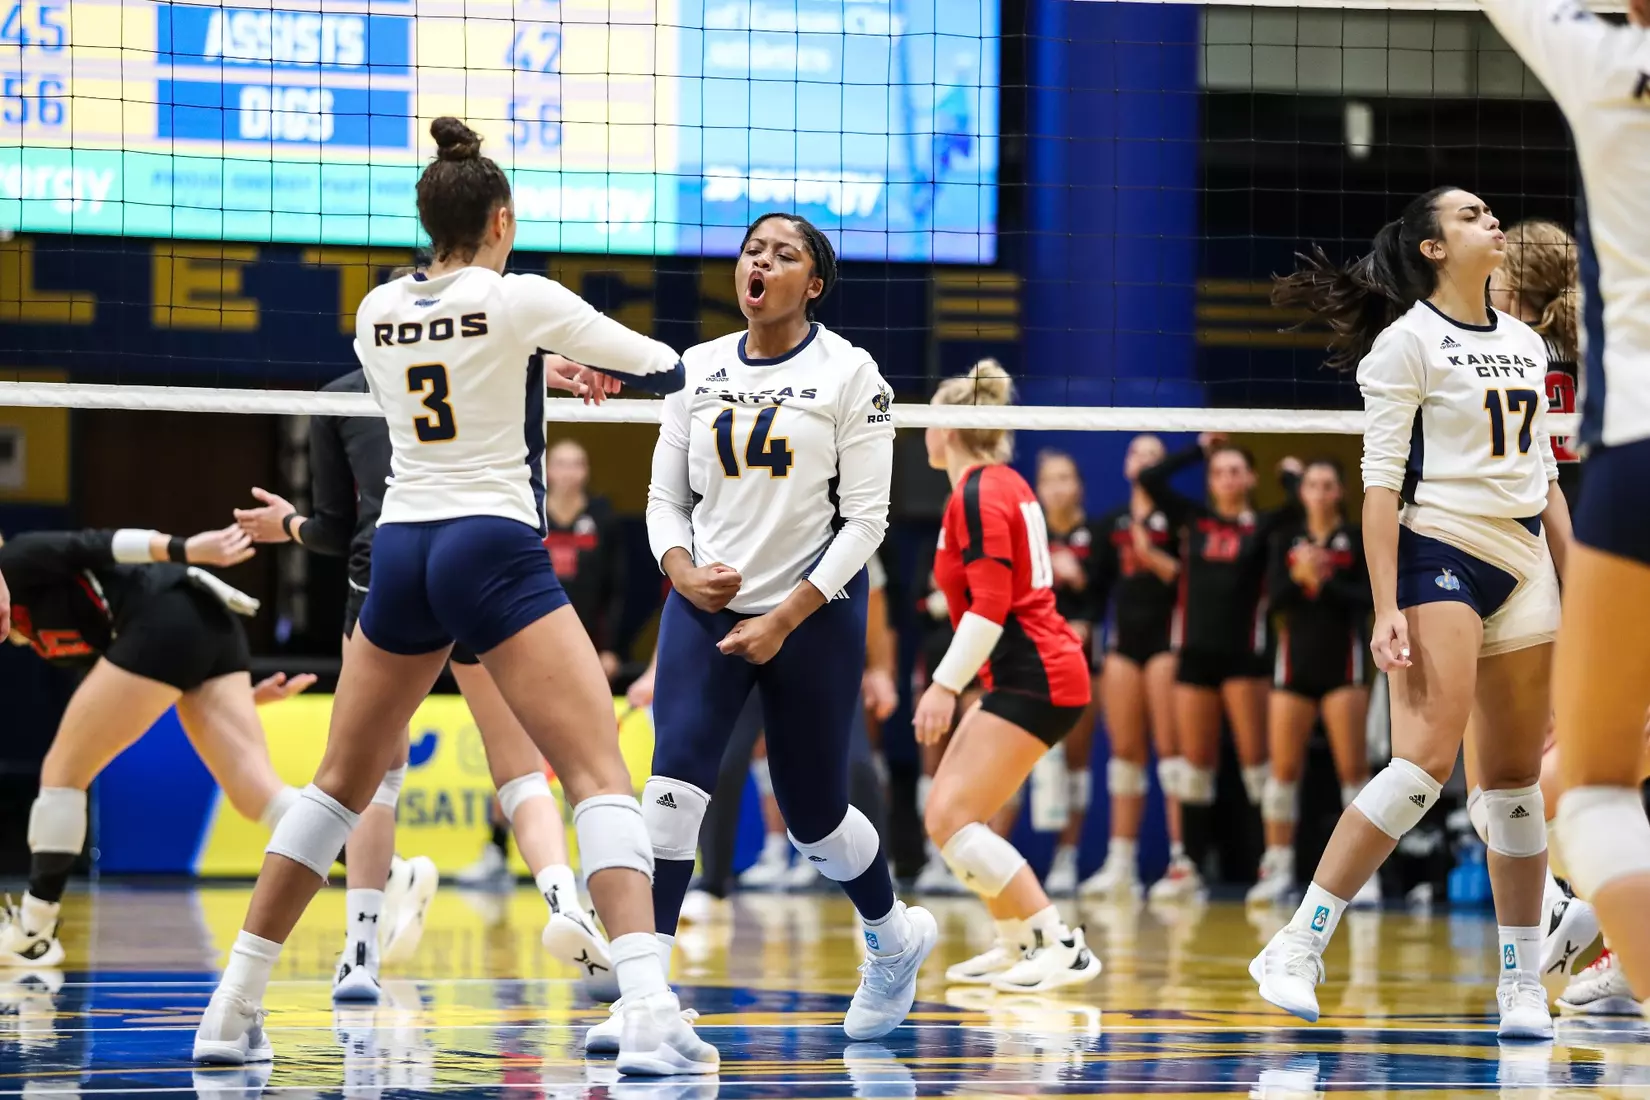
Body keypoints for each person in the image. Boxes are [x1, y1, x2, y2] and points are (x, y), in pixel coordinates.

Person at [192, 117, 715, 1077]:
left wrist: (539, 363)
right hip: (490, 547)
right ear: (502, 219)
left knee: (338, 788)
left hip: (399, 551)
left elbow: (461, 367)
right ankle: (647, 1008)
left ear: (427, 218)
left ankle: (230, 1007)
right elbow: (657, 361)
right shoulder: (522, 298)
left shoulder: (376, 311)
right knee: (596, 770)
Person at [1256, 186, 1569, 1039]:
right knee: (1423, 764)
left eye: (1488, 213)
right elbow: (1380, 488)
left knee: (1511, 788)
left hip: (1525, 558)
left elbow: (1545, 480)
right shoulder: (1406, 345)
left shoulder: (1525, 341)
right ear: (1433, 248)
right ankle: (1298, 941)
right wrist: (1386, 605)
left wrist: (1575, 589)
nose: (1491, 221)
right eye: (1470, 216)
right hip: (1442, 547)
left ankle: (1520, 983)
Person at [625, 209, 933, 1046]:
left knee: (813, 818)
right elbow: (664, 501)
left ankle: (893, 936)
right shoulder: (698, 368)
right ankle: (645, 997)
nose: (760, 262)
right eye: (752, 250)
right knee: (672, 790)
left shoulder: (852, 373)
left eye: (783, 254)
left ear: (814, 284)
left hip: (814, 613)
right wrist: (683, 570)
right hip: (705, 607)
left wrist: (787, 615)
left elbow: (867, 522)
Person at [233, 356, 609, 1003]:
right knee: (518, 763)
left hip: (387, 580)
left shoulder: (340, 394)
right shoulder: (479, 367)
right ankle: (563, 900)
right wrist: (552, 368)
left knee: (369, 772)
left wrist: (285, 527)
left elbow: (331, 528)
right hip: (479, 571)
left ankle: (358, 953)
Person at [1490, 0, 1650, 1003]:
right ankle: (1612, 940)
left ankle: (1618, 938)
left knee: (1583, 785)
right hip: (1597, 493)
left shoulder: (1605, 65)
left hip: (1637, 458)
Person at [0, 524, 310, 965]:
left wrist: (185, 548)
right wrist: (237, 698)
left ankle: (34, 931)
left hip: (169, 607)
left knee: (62, 772)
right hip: (199, 625)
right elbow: (137, 688)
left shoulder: (14, 561)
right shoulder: (30, 624)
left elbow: (98, 543)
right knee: (258, 795)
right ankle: (389, 875)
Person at [914, 359, 1100, 993]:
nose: (923, 431)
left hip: (1037, 673)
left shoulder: (980, 493)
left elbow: (992, 609)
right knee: (947, 814)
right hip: (1023, 672)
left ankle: (1058, 942)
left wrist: (942, 685)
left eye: (930, 420)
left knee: (955, 815)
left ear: (951, 428)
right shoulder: (994, 485)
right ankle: (1016, 939)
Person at [455, 437, 632, 885]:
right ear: (547, 470)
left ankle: (598, 860)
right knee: (518, 753)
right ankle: (497, 849)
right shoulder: (528, 513)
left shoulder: (603, 521)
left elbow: (617, 591)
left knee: (585, 758)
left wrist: (611, 650)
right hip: (523, 647)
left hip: (580, 654)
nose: (571, 472)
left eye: (580, 463)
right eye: (563, 463)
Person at [1137, 435, 1302, 900]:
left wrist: (1288, 477)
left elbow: (1297, 509)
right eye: (1219, 471)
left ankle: (1274, 864)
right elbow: (1150, 479)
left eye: (1235, 470)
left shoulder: (1263, 525)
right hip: (1194, 655)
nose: (1227, 478)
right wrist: (1200, 450)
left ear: (1249, 478)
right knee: (1193, 768)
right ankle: (1187, 865)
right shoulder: (1195, 520)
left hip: (1244, 658)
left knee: (1256, 766)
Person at [1247, 458, 1374, 907]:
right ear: (1301, 493)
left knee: (1353, 775)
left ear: (1339, 491)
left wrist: (1325, 579)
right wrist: (1300, 579)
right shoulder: (1286, 538)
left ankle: (1363, 877)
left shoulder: (1357, 539)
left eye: (1327, 484)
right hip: (1293, 669)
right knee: (1281, 775)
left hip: (1344, 667)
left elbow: (1368, 599)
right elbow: (1273, 599)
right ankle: (1277, 867)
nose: (1319, 491)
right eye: (1311, 484)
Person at [1079, 434, 1181, 899]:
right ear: (1124, 465)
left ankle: (1183, 861)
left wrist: (1152, 556)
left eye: (1153, 457)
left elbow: (1191, 577)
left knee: (1172, 756)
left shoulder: (1178, 518)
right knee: (1125, 756)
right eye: (1136, 453)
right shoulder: (1111, 523)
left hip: (1166, 644)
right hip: (1121, 646)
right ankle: (1121, 863)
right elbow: (1093, 588)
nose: (1143, 463)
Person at [1032, 450, 1100, 895]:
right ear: (1039, 488)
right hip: (1030, 660)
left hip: (1078, 662)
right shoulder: (1028, 535)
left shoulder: (1096, 536)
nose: (1058, 487)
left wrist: (1081, 592)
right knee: (1017, 764)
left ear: (1078, 485)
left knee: (1075, 762)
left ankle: (1066, 857)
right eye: (1050, 479)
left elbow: (1106, 596)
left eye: (1066, 477)